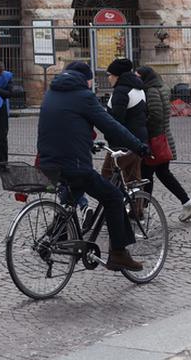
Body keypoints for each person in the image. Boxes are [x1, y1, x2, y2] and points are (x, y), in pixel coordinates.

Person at [36, 61, 150, 273]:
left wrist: (88, 144)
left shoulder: (51, 93)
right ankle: (118, 254)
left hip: (48, 163)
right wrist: (139, 146)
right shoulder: (84, 96)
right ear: (86, 79)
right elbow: (111, 125)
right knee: (113, 197)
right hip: (74, 164)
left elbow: (65, 127)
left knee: (71, 198)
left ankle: (57, 237)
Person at [137, 65, 191, 222]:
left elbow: (156, 115)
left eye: (138, 76)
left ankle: (141, 209)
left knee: (147, 173)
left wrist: (142, 127)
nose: (136, 79)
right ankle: (187, 202)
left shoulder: (151, 91)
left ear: (145, 77)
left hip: (155, 140)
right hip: (163, 138)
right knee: (161, 173)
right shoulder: (162, 88)